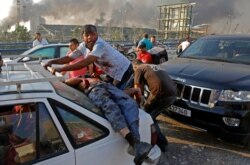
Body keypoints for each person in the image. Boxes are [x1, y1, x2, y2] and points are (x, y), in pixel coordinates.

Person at [64, 77, 154, 165]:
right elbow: (70, 81)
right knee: (112, 108)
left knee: (130, 104)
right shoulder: (76, 82)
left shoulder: (90, 78)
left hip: (105, 86)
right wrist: (80, 81)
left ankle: (137, 145)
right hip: (94, 89)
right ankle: (136, 144)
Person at [45, 24, 133, 90]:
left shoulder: (100, 45)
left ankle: (135, 92)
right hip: (111, 71)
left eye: (93, 34)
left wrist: (60, 69)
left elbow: (86, 62)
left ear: (97, 35)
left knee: (116, 93)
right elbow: (69, 58)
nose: (90, 37)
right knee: (108, 90)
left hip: (124, 69)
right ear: (83, 37)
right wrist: (52, 62)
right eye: (87, 35)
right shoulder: (83, 46)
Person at [132, 59, 177, 152]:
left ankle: (162, 143)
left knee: (147, 116)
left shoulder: (139, 68)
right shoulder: (152, 65)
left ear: (135, 66)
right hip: (173, 94)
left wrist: (136, 105)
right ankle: (154, 132)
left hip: (161, 95)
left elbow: (137, 90)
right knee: (152, 114)